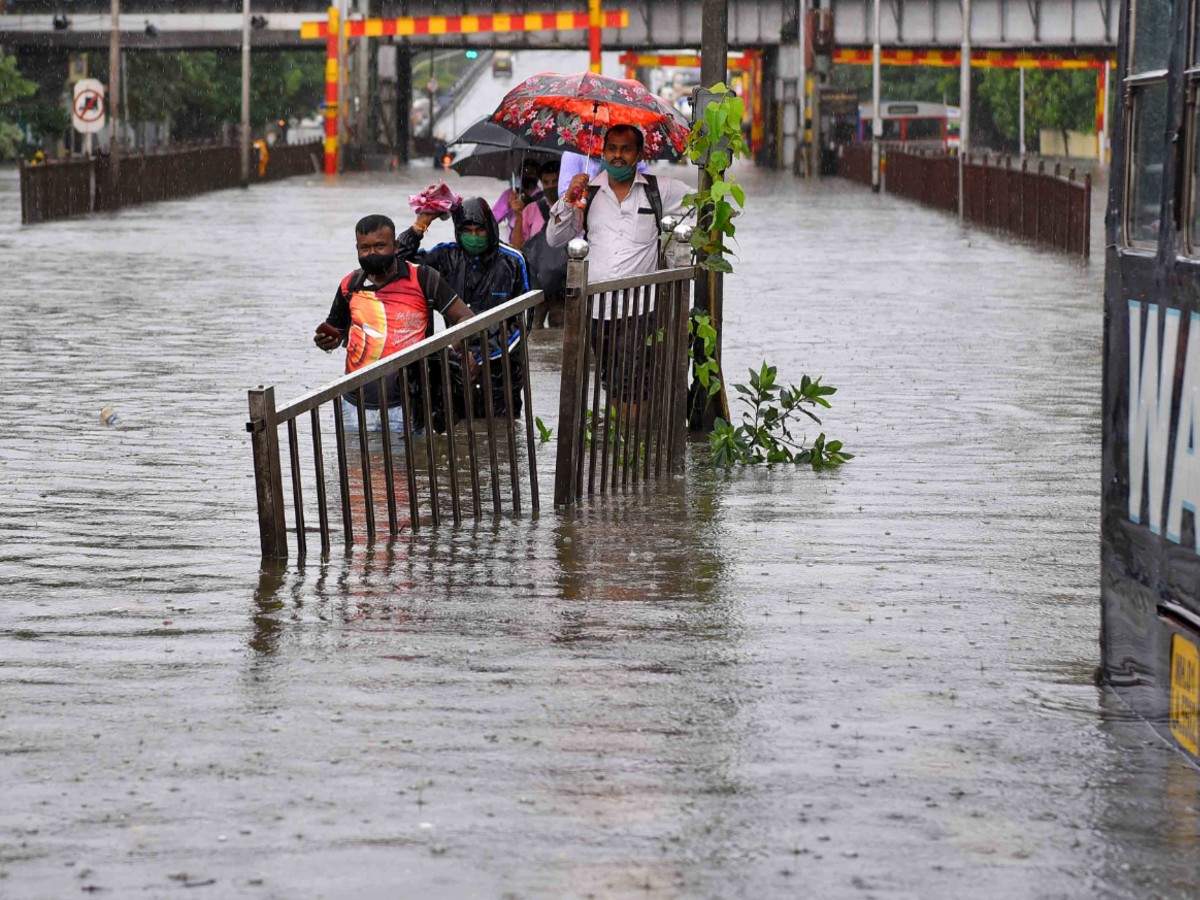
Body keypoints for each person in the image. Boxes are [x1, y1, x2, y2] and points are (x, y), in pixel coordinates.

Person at [545, 125, 691, 406]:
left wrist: (681, 243)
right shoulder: (588, 194)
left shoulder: (659, 190)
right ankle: (623, 443)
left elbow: (704, 204)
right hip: (598, 309)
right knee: (611, 382)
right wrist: (567, 199)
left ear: (639, 154)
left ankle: (630, 443)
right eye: (612, 148)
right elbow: (554, 238)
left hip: (640, 309)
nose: (618, 156)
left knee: (632, 385)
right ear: (602, 152)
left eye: (625, 149)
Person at [314, 214, 475, 433]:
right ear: (357, 248)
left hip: (408, 405)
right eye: (365, 248)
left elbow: (465, 317)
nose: (372, 253)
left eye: (380, 246)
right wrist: (327, 341)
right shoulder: (349, 285)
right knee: (356, 466)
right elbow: (337, 331)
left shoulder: (423, 278)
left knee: (411, 465)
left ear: (395, 245)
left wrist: (450, 351)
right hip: (354, 406)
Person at [397, 197, 530, 420]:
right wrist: (421, 224)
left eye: (480, 230)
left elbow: (523, 322)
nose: (474, 237)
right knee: (458, 433)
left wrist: (481, 356)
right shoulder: (445, 257)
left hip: (502, 367)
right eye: (467, 230)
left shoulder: (513, 261)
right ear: (458, 231)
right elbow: (395, 263)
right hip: (458, 362)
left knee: (501, 436)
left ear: (491, 229)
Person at [492, 159, 542, 243]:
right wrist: (507, 205)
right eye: (526, 172)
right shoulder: (510, 194)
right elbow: (493, 219)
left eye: (532, 173)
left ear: (538, 175)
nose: (529, 176)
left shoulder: (542, 197)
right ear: (520, 174)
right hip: (514, 242)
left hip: (536, 243)